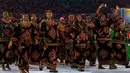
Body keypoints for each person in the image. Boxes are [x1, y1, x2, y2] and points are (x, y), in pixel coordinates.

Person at [95, 4, 116, 69]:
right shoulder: (98, 23)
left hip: (107, 40)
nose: (103, 17)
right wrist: (99, 8)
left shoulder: (108, 23)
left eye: (104, 16)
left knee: (111, 51)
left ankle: (111, 65)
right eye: (102, 16)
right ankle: (100, 65)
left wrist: (115, 11)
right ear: (100, 18)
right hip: (100, 40)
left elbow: (114, 17)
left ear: (106, 18)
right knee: (100, 52)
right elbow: (96, 14)